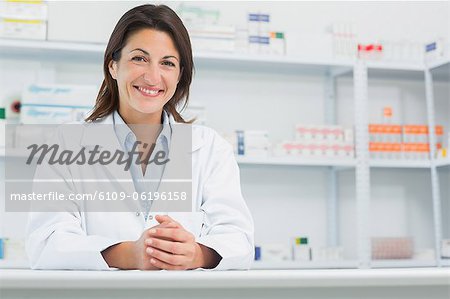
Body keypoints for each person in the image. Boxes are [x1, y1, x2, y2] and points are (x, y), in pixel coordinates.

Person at [26, 4, 254, 270]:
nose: (153, 76)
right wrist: (131, 254)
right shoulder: (65, 144)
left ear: (180, 75)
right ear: (113, 65)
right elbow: (46, 244)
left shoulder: (210, 148)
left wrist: (195, 254)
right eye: (139, 58)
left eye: (167, 63)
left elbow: (239, 240)